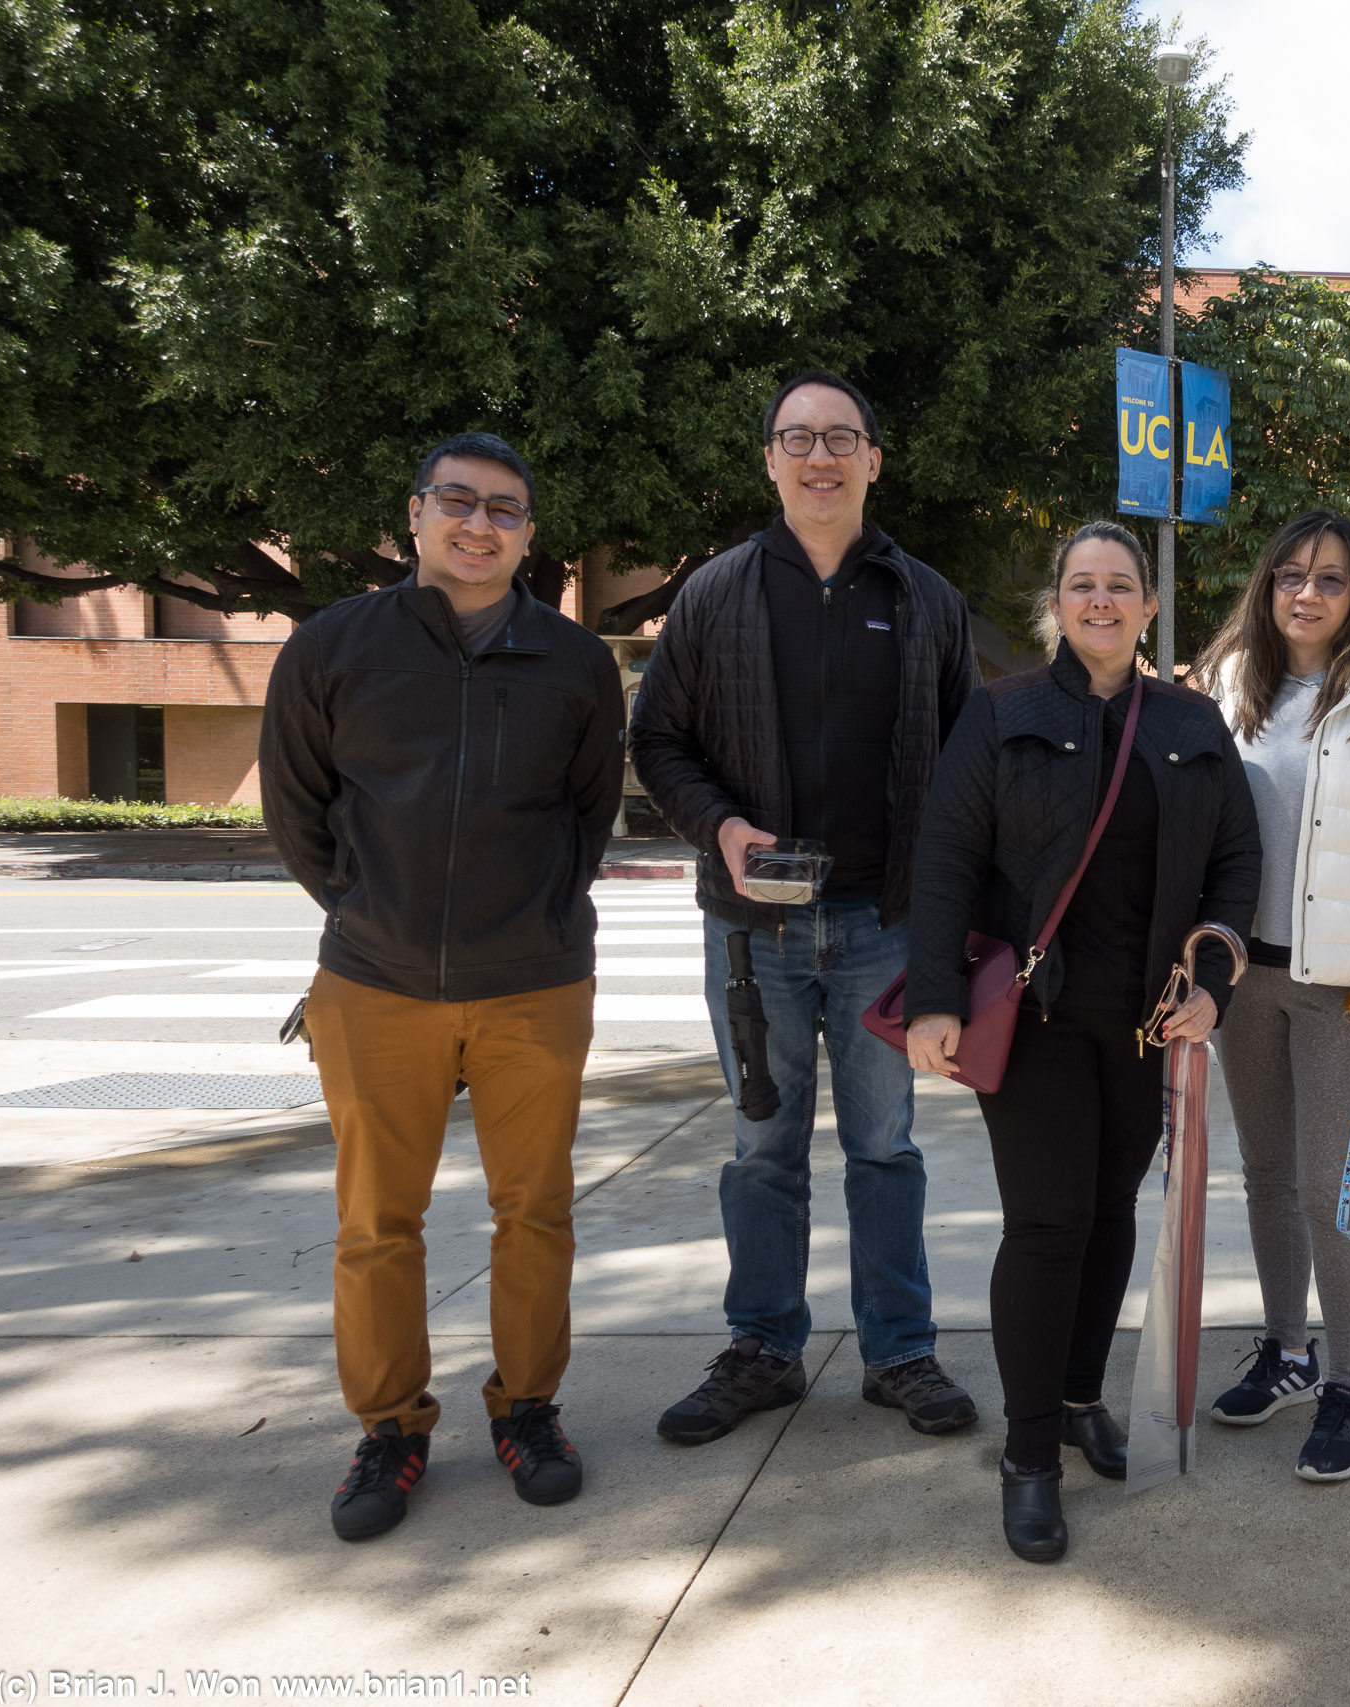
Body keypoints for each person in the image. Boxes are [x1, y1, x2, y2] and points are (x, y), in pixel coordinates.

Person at [260, 432, 625, 1541]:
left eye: (504, 509)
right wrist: (374, 909)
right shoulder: (334, 647)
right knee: (377, 1221)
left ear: (527, 535)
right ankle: (390, 1429)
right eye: (458, 502)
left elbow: (586, 816)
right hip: (376, 980)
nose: (480, 524)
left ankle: (530, 1410)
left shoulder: (572, 663)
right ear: (414, 516)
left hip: (534, 982)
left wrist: (535, 922)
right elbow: (298, 811)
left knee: (537, 1213)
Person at [629, 369, 980, 1447]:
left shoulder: (927, 601)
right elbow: (657, 742)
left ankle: (900, 1351)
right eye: (797, 437)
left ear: (875, 458)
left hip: (884, 927)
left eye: (841, 437)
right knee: (760, 1149)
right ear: (770, 460)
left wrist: (951, 932)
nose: (819, 456)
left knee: (884, 1146)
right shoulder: (713, 594)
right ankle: (764, 1347)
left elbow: (968, 769)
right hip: (753, 937)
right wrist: (722, 830)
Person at [902, 522, 1259, 1561]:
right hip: (1040, 1017)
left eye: (1120, 587)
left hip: (1148, 1025)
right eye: (1081, 586)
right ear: (1055, 605)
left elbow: (1237, 859)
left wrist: (1218, 980)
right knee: (1049, 1224)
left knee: (1109, 1217)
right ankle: (1028, 1457)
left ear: (1148, 607)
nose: (1100, 601)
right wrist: (934, 996)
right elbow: (945, 858)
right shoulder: (1002, 712)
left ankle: (1074, 1397)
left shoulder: (1190, 722)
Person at [1191, 509, 1350, 1483]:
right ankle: (1286, 1351)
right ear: (1267, 584)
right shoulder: (1224, 684)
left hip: (1338, 985)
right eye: (1291, 573)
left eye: (1331, 579)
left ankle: (1349, 1384)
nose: (1307, 592)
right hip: (1242, 977)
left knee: (1325, 1186)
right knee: (1264, 1176)